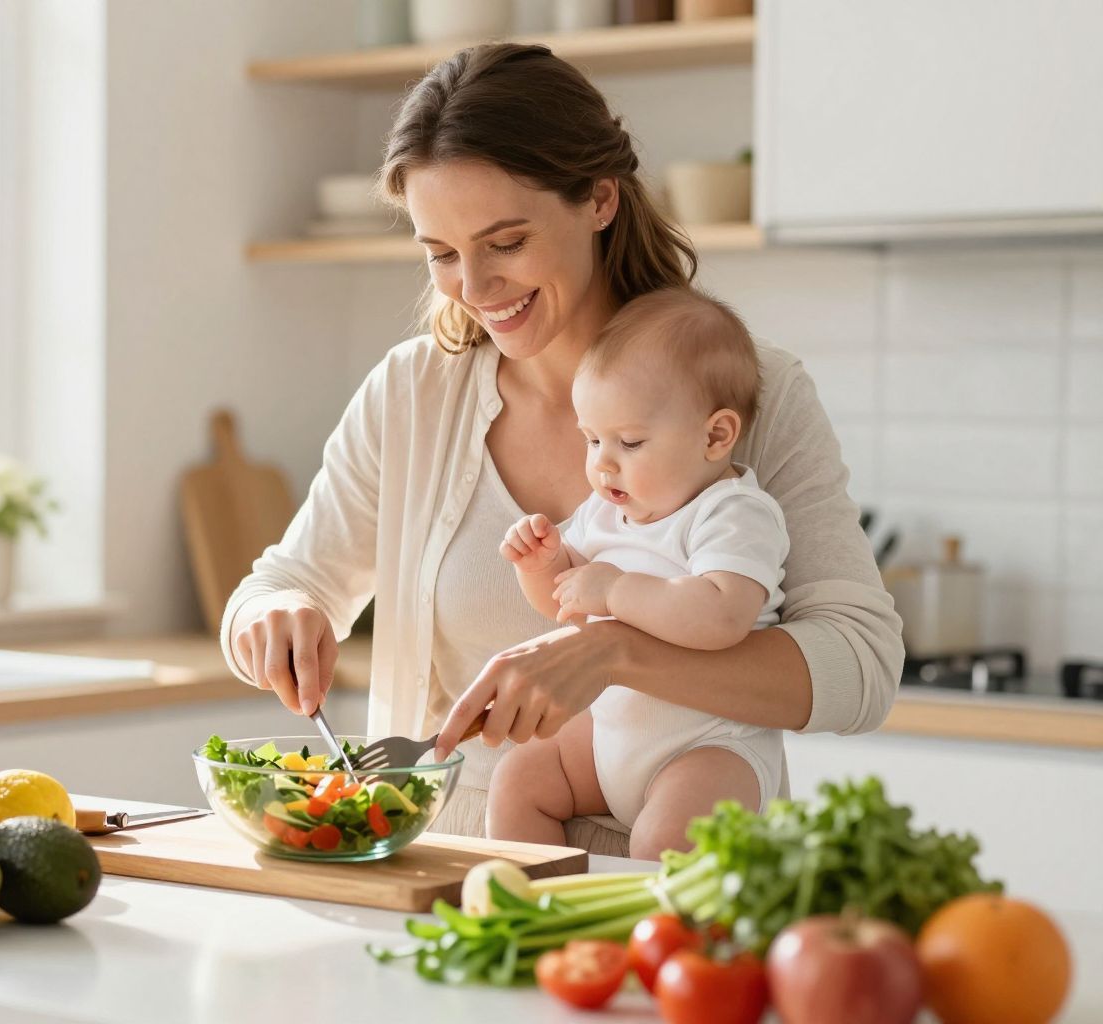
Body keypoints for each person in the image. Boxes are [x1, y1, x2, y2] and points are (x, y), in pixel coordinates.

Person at [219, 42, 902, 855]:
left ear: (600, 200)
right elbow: (283, 584)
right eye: (441, 254)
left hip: (687, 891)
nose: (473, 288)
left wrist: (615, 652)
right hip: (449, 870)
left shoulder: (748, 394)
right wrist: (270, 618)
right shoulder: (412, 395)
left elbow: (860, 665)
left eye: (505, 243)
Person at [490, 287, 788, 859]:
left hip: (709, 743)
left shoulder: (732, 512)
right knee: (521, 778)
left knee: (665, 839)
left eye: (628, 442)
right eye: (592, 439)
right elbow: (564, 603)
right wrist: (546, 563)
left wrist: (616, 589)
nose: (602, 462)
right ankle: (531, 916)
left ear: (715, 436)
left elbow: (722, 614)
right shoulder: (607, 512)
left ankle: (654, 943)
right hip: (610, 737)